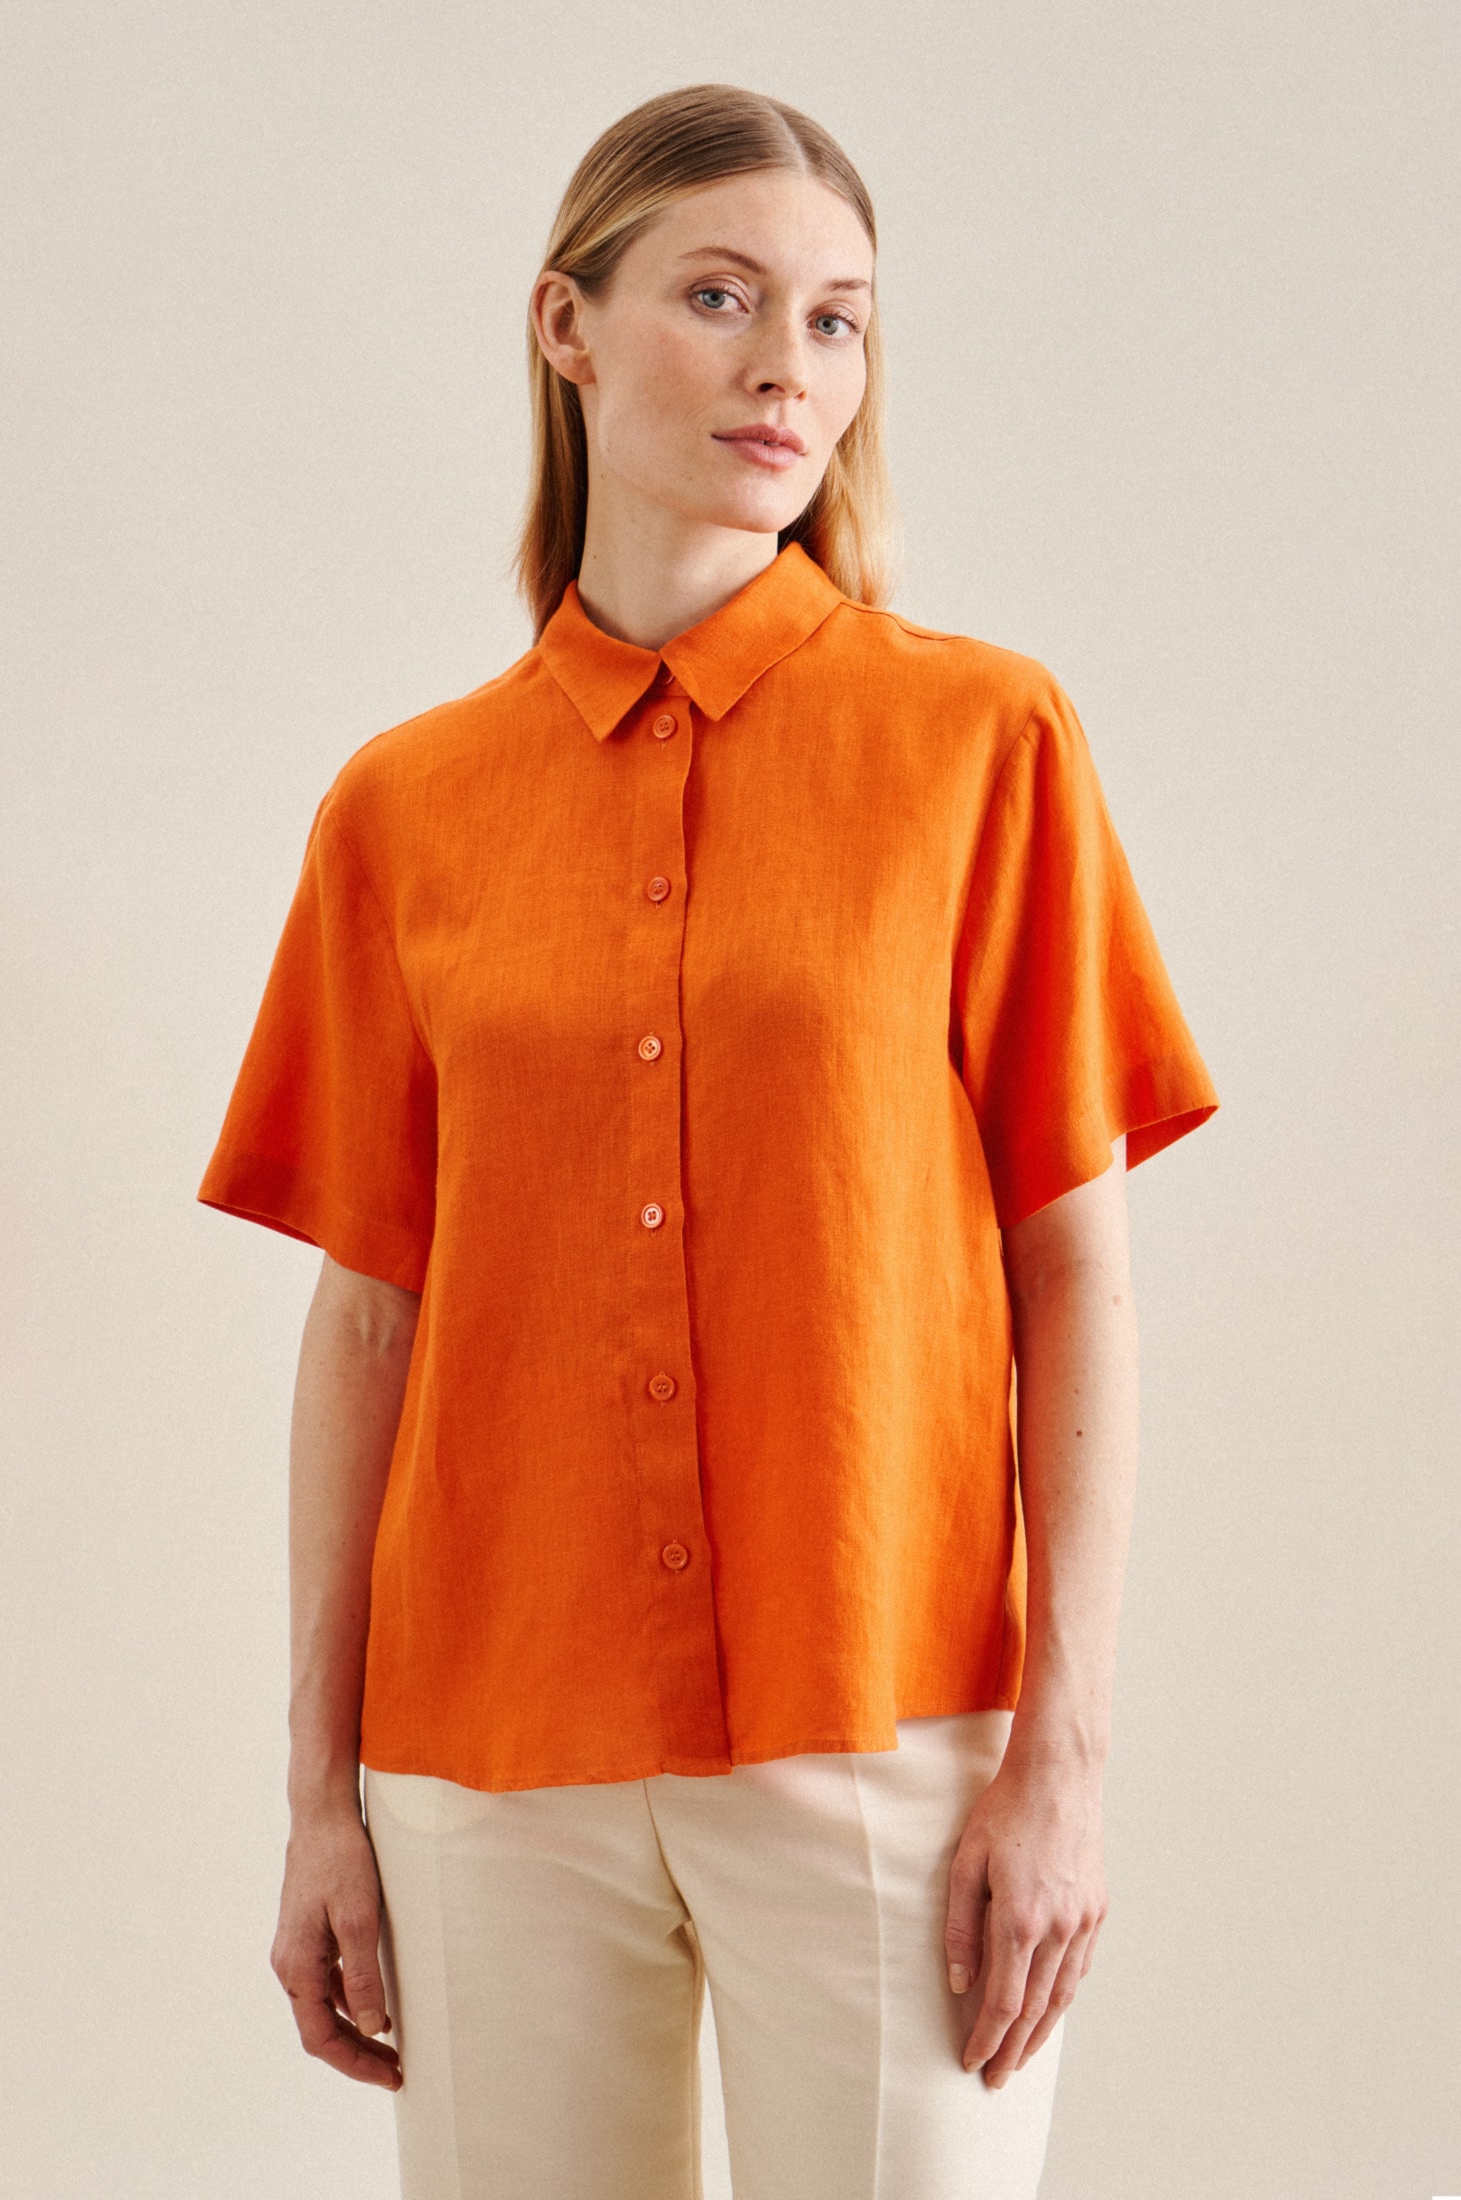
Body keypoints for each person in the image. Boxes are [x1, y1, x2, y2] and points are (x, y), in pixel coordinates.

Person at [198, 81, 1217, 2200]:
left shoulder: (980, 742)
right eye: (725, 297)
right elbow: (370, 1315)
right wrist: (315, 1795)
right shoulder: (403, 809)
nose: (790, 370)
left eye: (839, 320)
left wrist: (1065, 1758)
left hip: (891, 1723)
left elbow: (1076, 1267)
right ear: (565, 325)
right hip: (489, 1750)